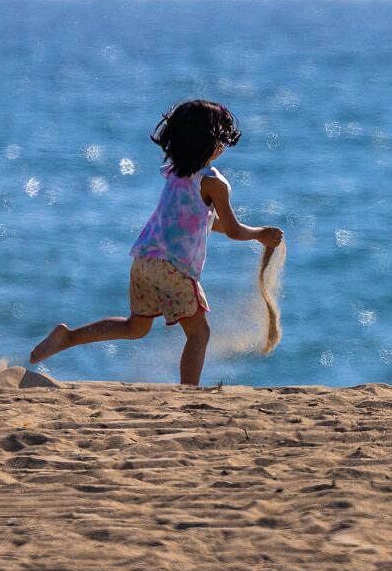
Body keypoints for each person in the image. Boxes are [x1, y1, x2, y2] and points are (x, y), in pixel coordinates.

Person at [30, 100, 283, 385]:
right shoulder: (214, 183)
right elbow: (235, 230)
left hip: (144, 259)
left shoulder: (176, 173)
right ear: (211, 142)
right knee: (200, 334)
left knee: (135, 327)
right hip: (173, 267)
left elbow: (206, 223)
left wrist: (256, 234)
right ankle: (188, 393)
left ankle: (69, 336)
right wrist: (261, 233)